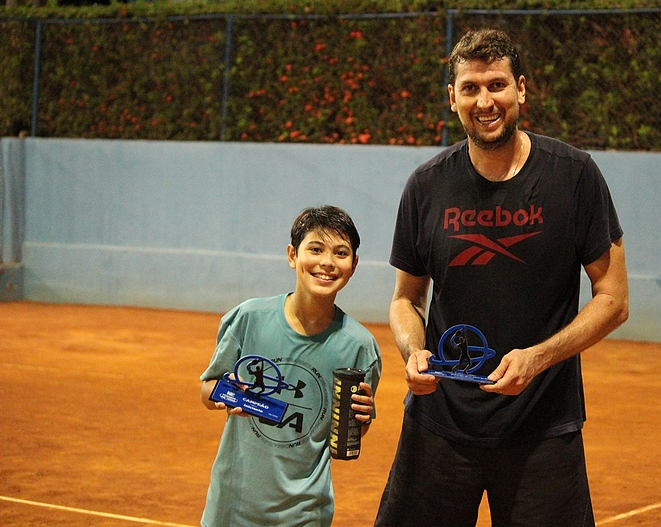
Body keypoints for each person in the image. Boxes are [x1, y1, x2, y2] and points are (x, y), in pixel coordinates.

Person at [375, 29, 629, 527]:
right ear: (453, 99)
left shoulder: (574, 176)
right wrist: (413, 351)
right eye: (470, 88)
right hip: (439, 427)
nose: (484, 100)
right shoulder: (426, 186)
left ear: (521, 90)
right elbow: (405, 300)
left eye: (497, 84)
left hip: (542, 429)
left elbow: (613, 300)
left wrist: (537, 358)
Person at [200, 205, 382, 527]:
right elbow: (208, 389)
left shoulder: (359, 347)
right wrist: (229, 394)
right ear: (292, 255)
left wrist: (362, 419)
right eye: (315, 249)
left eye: (341, 253)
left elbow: (348, 433)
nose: (327, 262)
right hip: (232, 505)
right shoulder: (248, 319)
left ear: (353, 265)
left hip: (303, 513)